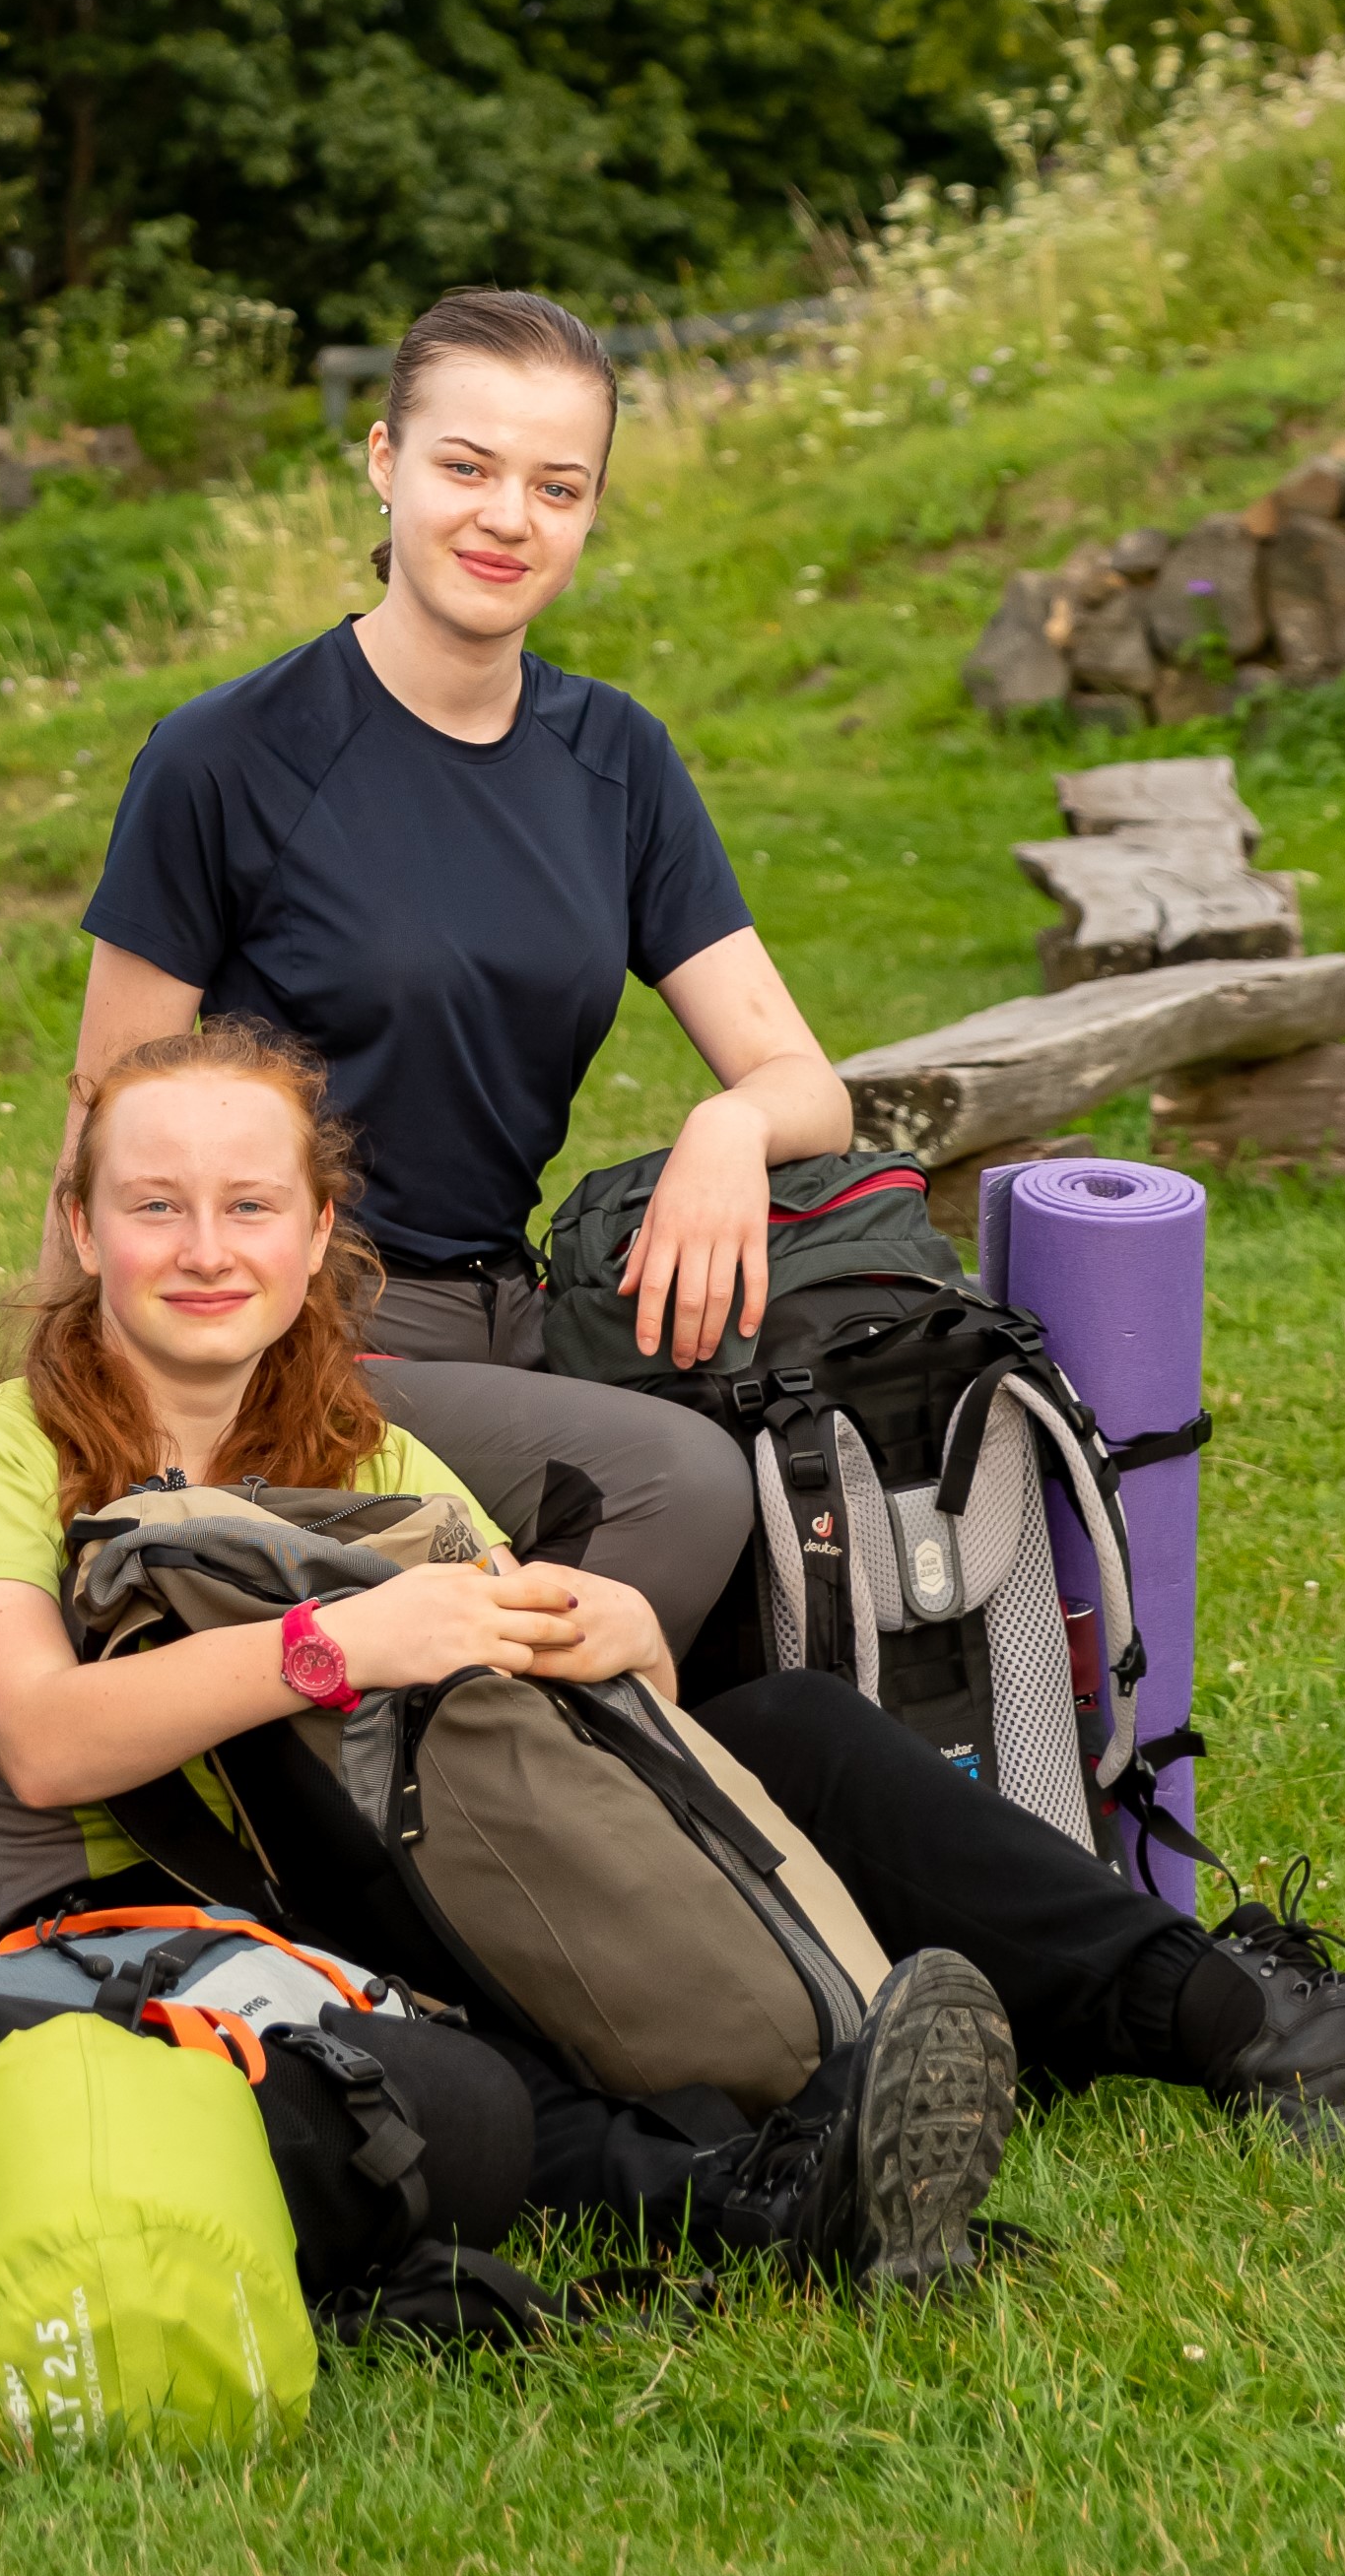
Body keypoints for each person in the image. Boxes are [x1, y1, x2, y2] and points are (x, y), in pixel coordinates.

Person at [0, 1021, 1345, 2283]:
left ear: (315, 1234)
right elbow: (45, 1740)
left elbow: (522, 1703)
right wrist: (349, 1640)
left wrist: (605, 1631)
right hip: (162, 1924)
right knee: (432, 2067)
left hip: (410, 1859)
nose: (206, 1249)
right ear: (82, 1220)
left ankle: (1239, 2024)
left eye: (248, 1206)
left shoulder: (357, 1443)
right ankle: (779, 2198)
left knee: (784, 1721)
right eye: (157, 1206)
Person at [47, 286, 825, 1654]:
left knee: (799, 1473)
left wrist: (730, 1123)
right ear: (384, 463)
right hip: (284, 1326)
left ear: (588, 513)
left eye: (557, 485)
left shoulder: (617, 762)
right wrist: (83, 1429)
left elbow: (801, 1078)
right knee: (683, 1485)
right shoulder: (227, 758)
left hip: (510, 1319)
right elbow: (106, 1112)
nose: (506, 516)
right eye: (466, 466)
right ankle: (555, 1815)